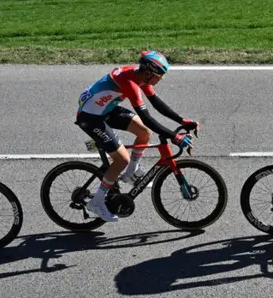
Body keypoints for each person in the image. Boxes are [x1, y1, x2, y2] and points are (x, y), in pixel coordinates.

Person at [76, 51, 199, 222]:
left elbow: (156, 103)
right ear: (149, 73)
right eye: (159, 76)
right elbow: (147, 118)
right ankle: (96, 202)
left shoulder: (139, 75)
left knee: (144, 133)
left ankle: (131, 173)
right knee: (122, 160)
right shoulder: (130, 82)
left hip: (105, 109)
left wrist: (181, 120)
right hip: (90, 118)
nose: (160, 80)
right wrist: (174, 137)